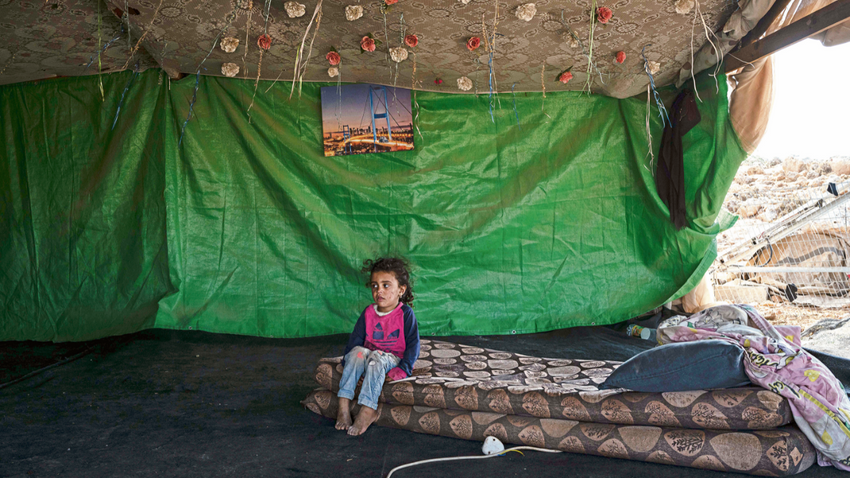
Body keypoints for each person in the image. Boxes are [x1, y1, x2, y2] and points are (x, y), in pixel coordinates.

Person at [335, 257, 420, 436]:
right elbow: (355, 340)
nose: (379, 290)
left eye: (386, 285)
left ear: (401, 290)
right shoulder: (368, 312)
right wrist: (350, 363)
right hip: (366, 355)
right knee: (357, 353)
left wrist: (403, 369)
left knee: (375, 359)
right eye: (375, 285)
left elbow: (413, 344)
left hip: (390, 358)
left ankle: (367, 410)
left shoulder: (405, 314)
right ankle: (343, 406)